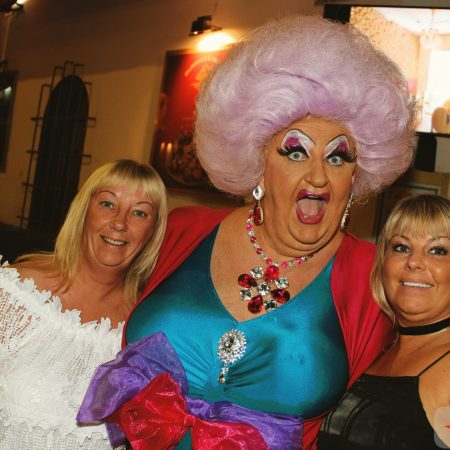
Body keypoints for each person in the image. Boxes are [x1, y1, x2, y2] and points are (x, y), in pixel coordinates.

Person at [78, 15, 415, 449]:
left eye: (337, 158)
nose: (318, 177)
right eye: (295, 152)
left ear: (356, 175)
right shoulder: (182, 230)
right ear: (259, 160)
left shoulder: (373, 276)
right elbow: (94, 284)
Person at [0, 159, 167, 449]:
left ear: (152, 231)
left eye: (139, 212)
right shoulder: (13, 294)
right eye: (107, 204)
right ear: (84, 211)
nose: (119, 222)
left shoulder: (145, 331)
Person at [318, 194, 450, 449]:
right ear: (382, 263)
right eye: (401, 247)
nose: (414, 261)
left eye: (438, 250)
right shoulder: (374, 351)